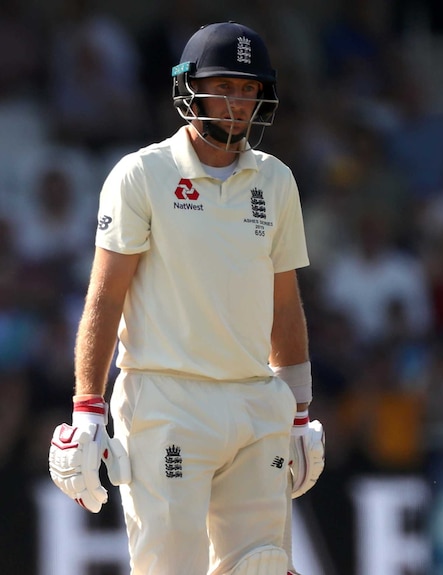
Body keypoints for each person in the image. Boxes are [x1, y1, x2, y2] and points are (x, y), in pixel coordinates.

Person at [48, 22, 324, 575]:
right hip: (166, 404)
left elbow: (284, 304)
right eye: (225, 86)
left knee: (265, 566)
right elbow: (105, 298)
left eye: (249, 90)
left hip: (255, 401)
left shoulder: (277, 182)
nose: (238, 102)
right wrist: (86, 409)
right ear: (189, 89)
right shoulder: (141, 175)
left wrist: (298, 411)